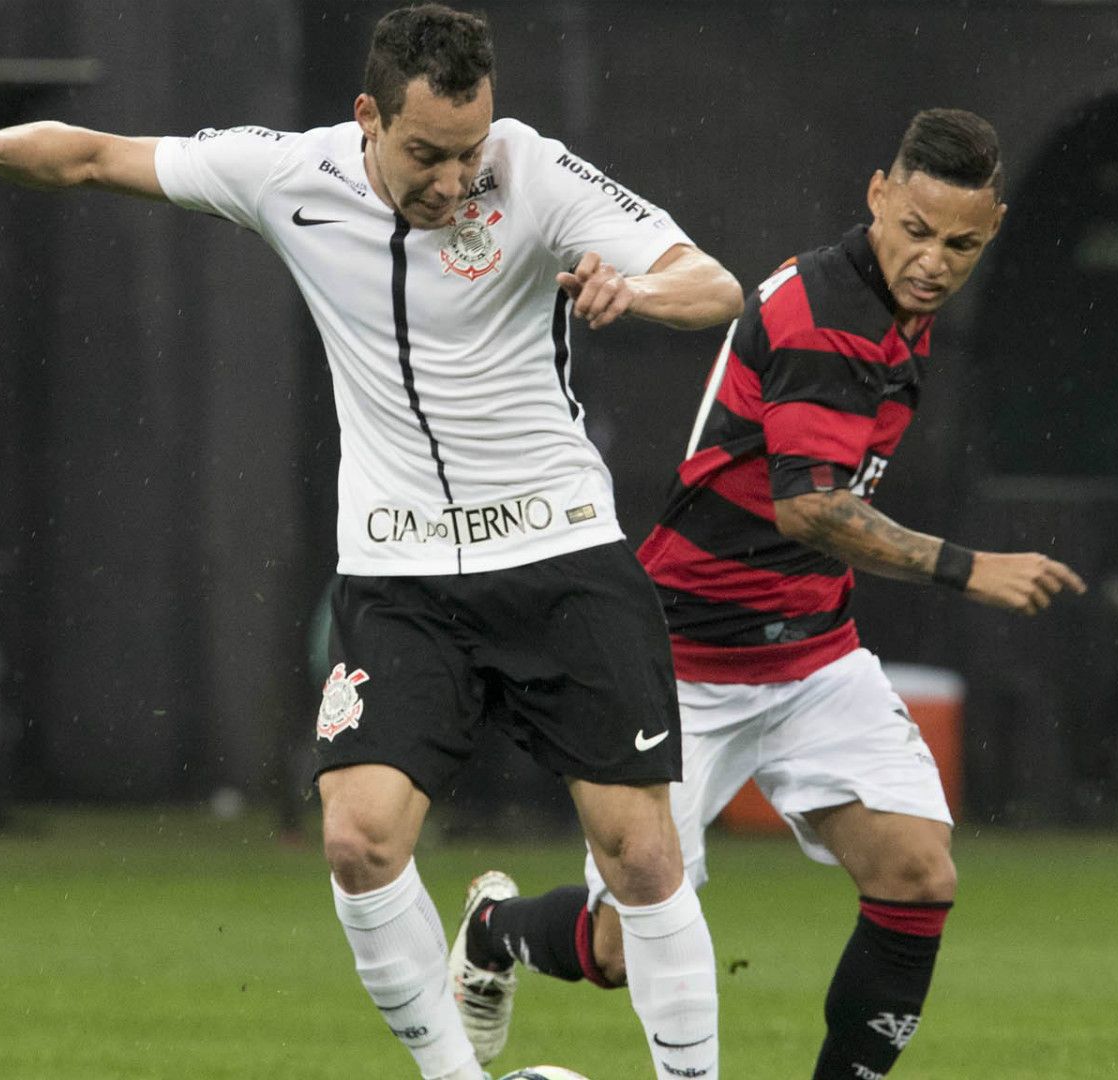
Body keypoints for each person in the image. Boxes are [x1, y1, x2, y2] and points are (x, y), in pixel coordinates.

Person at [0, 6, 743, 1080]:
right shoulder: (287, 174)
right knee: (358, 839)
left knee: (644, 856)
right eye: (428, 153)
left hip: (560, 557)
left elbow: (715, 283)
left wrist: (637, 288)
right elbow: (99, 157)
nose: (455, 178)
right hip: (400, 574)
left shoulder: (533, 171)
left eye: (471, 149)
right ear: (367, 118)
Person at [446, 109, 1085, 1080]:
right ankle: (494, 931)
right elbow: (810, 511)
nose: (933, 261)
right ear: (878, 194)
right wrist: (971, 568)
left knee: (917, 875)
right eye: (915, 230)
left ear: (989, 230)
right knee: (618, 954)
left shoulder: (896, 309)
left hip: (811, 656)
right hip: (684, 659)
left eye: (959, 243)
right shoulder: (829, 314)